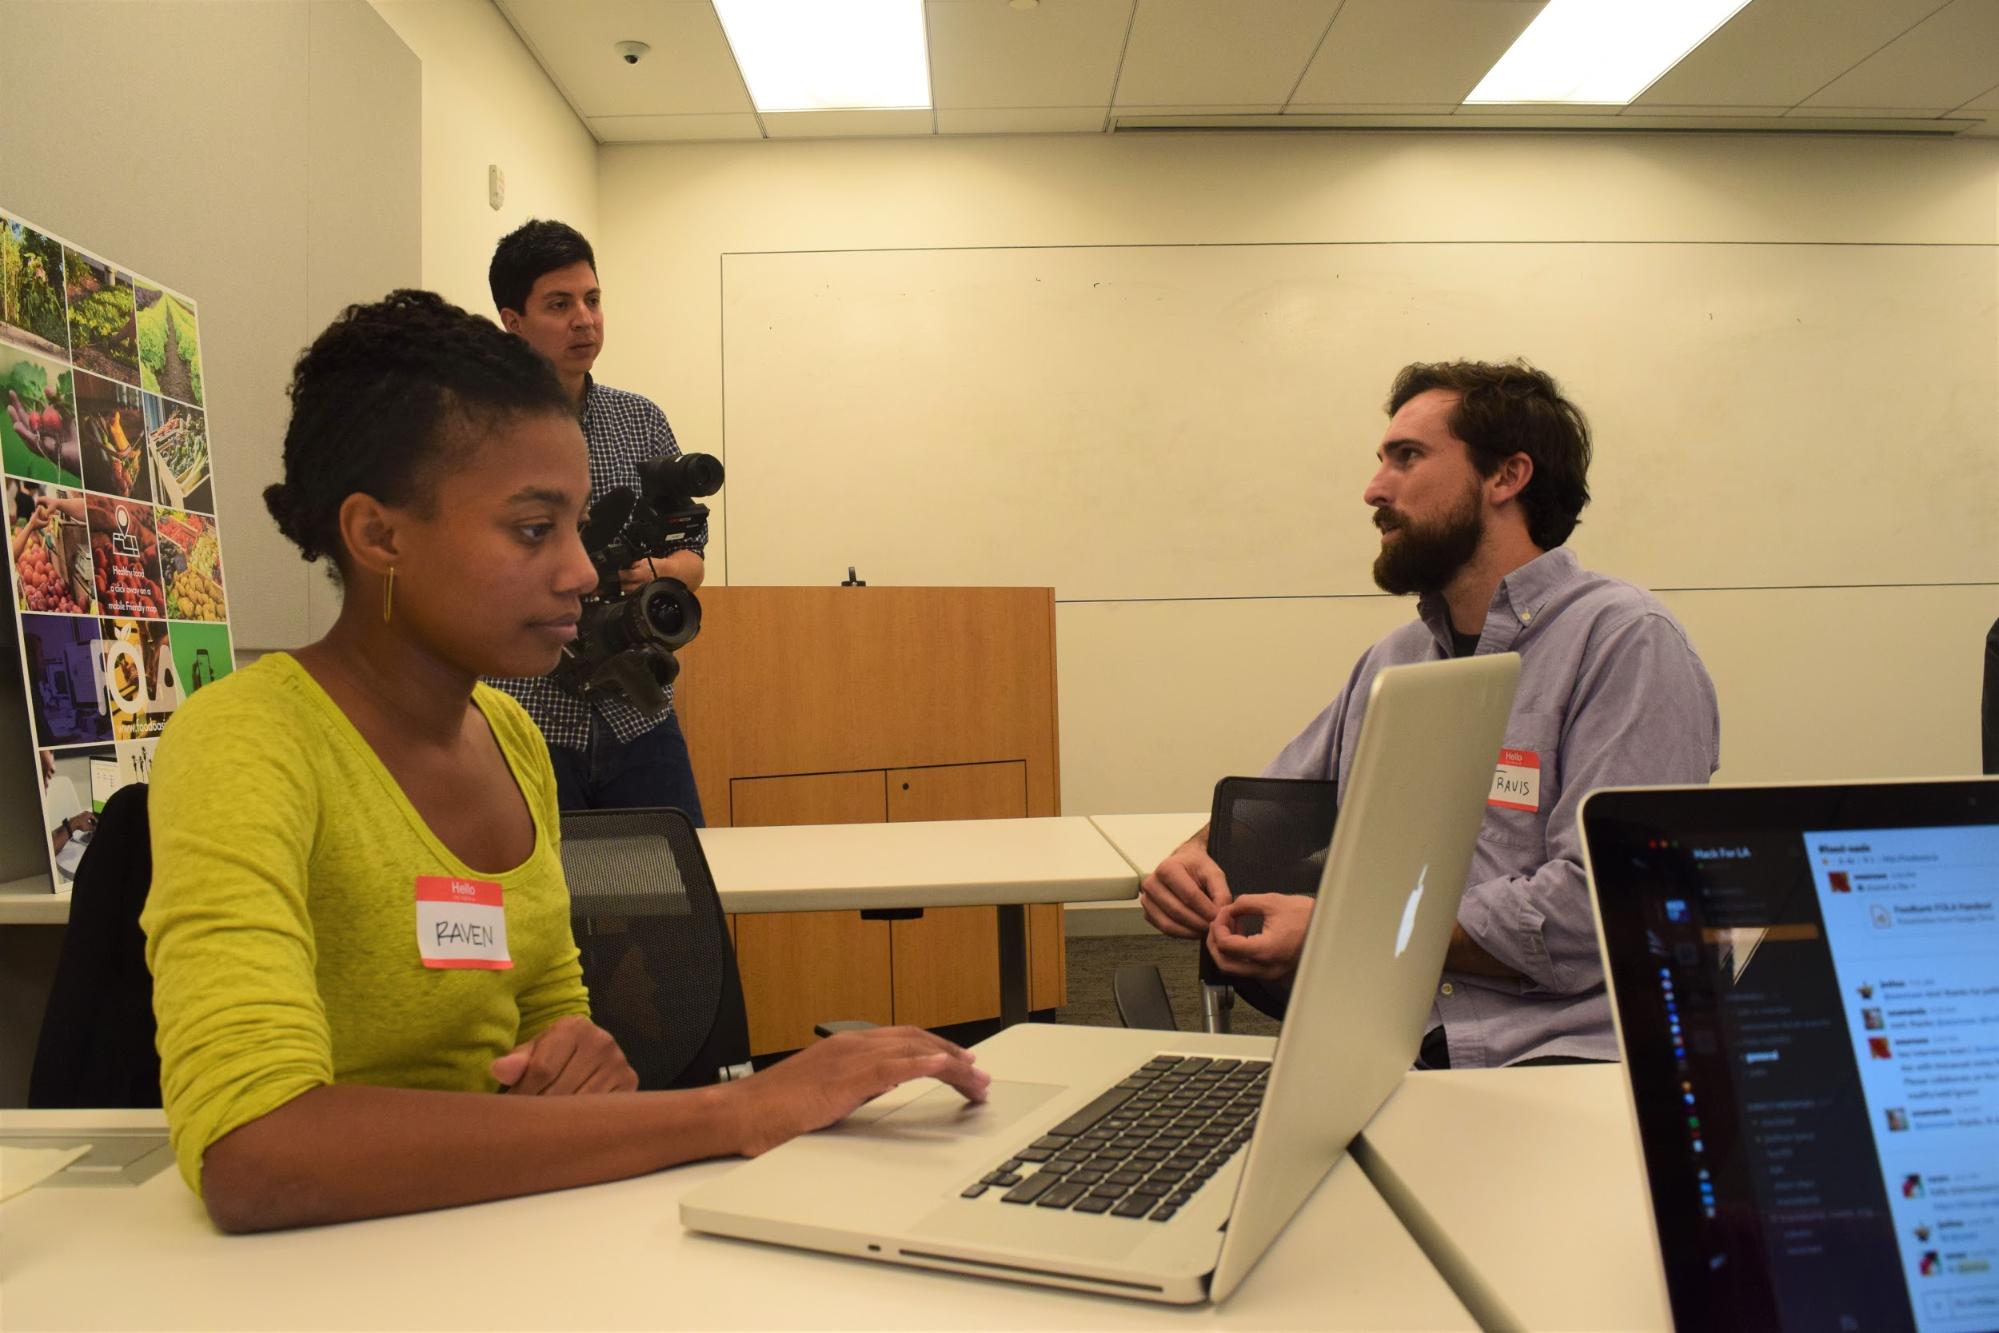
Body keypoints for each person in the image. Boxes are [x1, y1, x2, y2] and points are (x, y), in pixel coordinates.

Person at [142, 291, 987, 1235]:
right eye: (534, 530)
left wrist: (575, 1054)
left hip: (492, 1234)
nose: (583, 572)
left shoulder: (507, 736)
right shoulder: (247, 743)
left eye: (578, 529)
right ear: (378, 536)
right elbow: (255, 1154)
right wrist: (729, 1111)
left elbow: (548, 1009)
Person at [1139, 359, 1719, 1068]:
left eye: (1406, 457)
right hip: (1380, 1045)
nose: (1373, 489)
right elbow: (1276, 810)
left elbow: (1600, 904)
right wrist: (1196, 856)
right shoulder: (1395, 659)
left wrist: (1352, 931)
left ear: (1506, 477)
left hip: (1553, 1057)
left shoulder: (1625, 642)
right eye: (1380, 460)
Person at [484, 220, 707, 821]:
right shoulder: (480, 430)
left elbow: (695, 560)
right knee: (547, 908)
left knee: (678, 903)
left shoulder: (641, 421)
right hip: (527, 718)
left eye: (593, 299)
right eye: (559, 305)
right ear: (513, 320)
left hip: (640, 713)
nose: (584, 319)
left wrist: (656, 569)